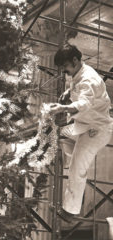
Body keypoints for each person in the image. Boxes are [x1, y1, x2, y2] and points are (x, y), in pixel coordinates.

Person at [49, 44, 113, 222]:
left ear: (75, 60)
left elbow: (83, 103)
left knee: (77, 166)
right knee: (60, 134)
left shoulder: (88, 79)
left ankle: (70, 211)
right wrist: (67, 93)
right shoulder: (78, 72)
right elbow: (76, 89)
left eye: (65, 67)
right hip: (83, 124)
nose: (64, 72)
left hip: (97, 130)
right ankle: (74, 185)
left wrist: (63, 107)